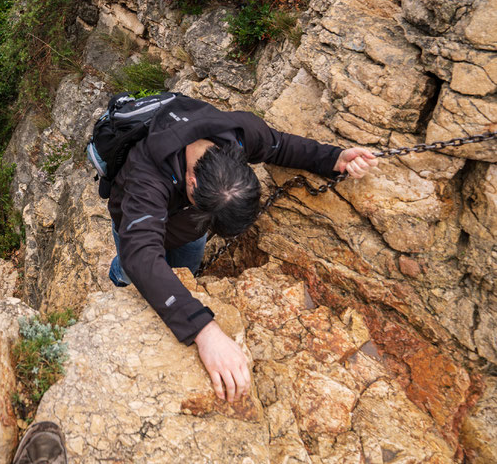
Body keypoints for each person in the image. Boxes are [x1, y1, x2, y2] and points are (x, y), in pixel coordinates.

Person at [106, 95, 378, 403]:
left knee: (186, 270)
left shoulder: (238, 132)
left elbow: (281, 145)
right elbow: (140, 253)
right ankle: (118, 279)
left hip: (191, 223)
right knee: (131, 270)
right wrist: (205, 331)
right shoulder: (146, 174)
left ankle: (177, 274)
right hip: (140, 221)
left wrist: (334, 158)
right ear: (192, 181)